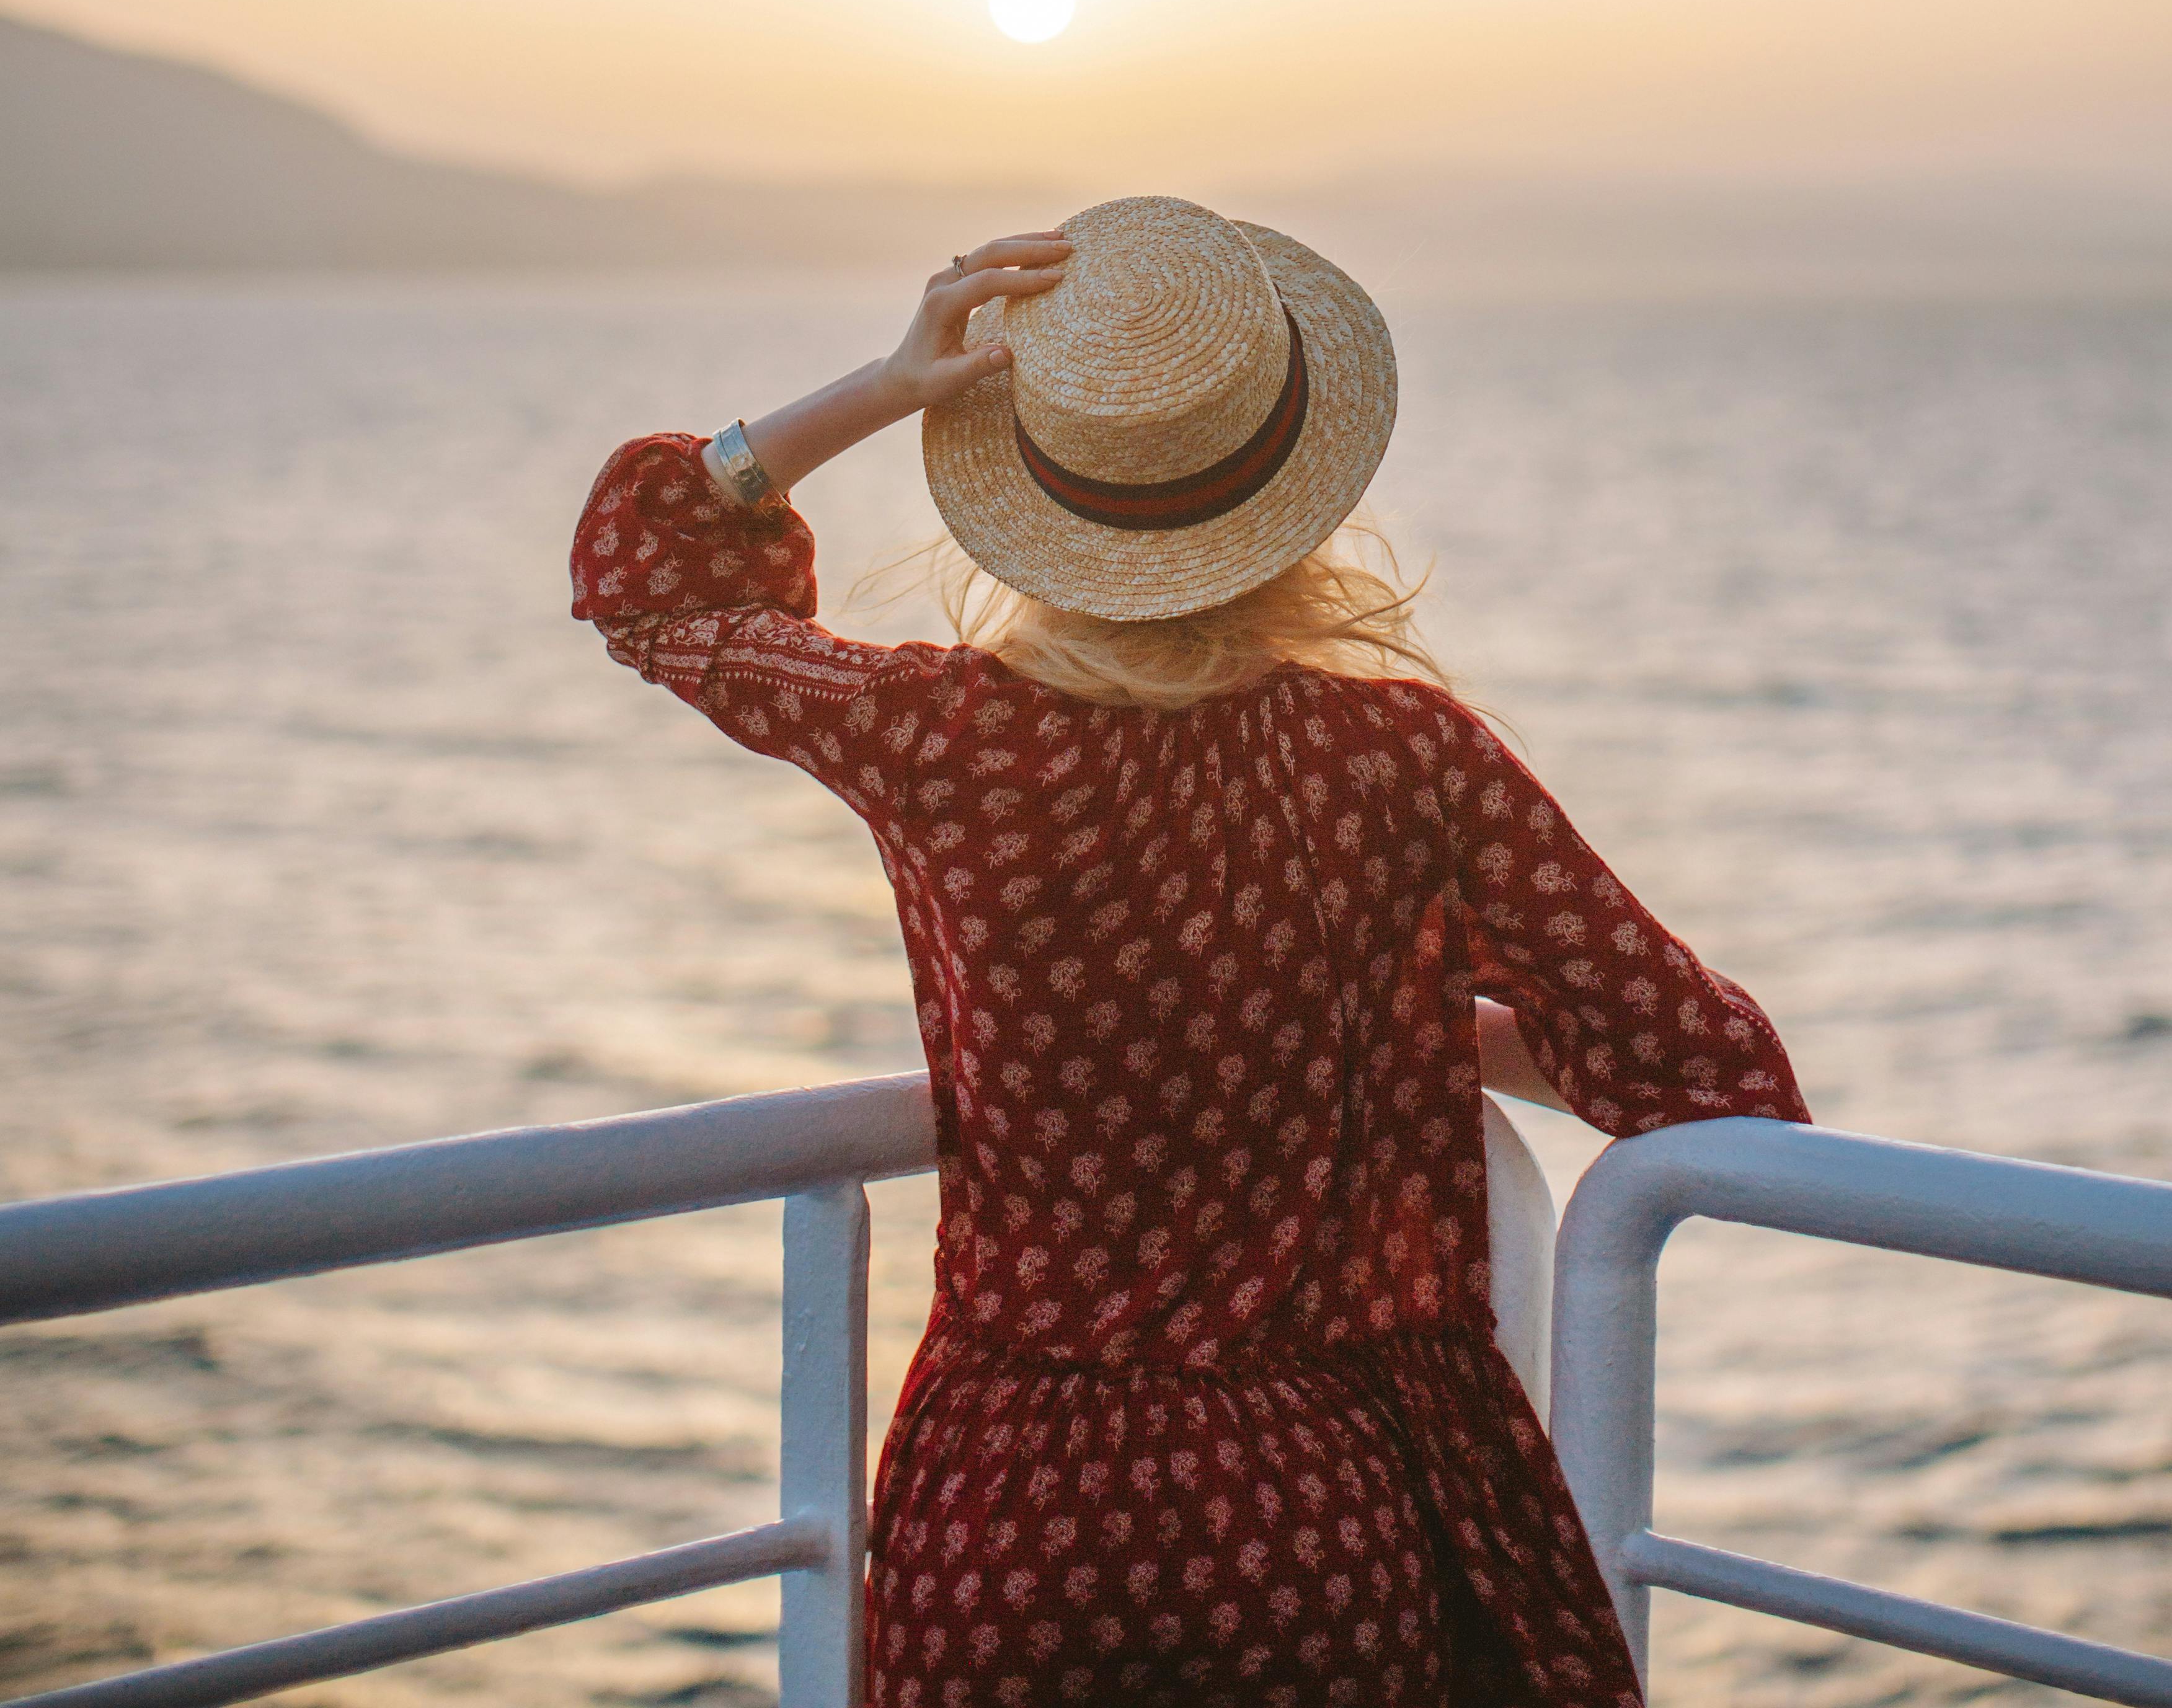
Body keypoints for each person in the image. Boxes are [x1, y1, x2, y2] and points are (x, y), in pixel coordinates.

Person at [571, 195, 1806, 1708]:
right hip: (1323, 1510)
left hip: (1017, 1516)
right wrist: (1396, 1017)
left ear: (1029, 487)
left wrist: (889, 386)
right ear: (1292, 489)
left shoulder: (942, 738)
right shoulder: (1406, 758)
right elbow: (1711, 1067)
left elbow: (650, 569)